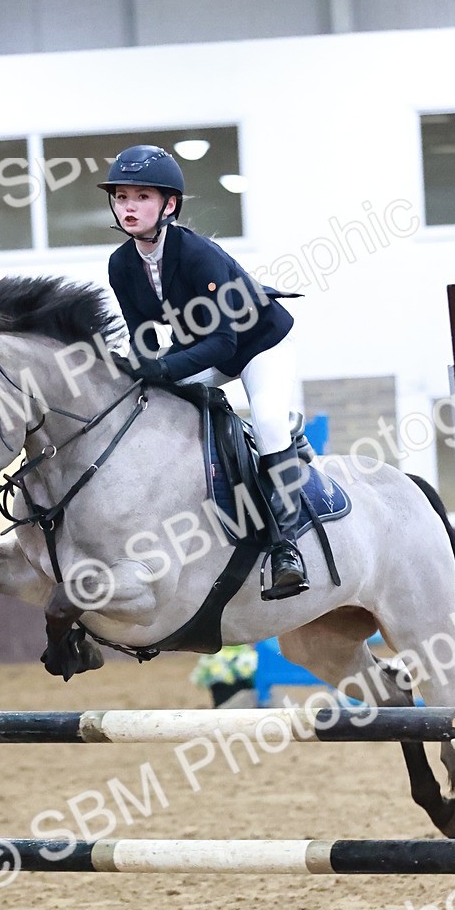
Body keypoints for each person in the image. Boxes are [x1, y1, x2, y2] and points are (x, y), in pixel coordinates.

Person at [98, 144, 309, 601]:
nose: (128, 207)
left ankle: (286, 548)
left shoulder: (198, 254)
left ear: (168, 204)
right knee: (146, 404)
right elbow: (142, 335)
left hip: (259, 345)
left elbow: (225, 344)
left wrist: (162, 367)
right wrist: (133, 373)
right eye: (121, 197)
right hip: (202, 351)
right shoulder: (121, 264)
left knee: (268, 421)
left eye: (141, 197)